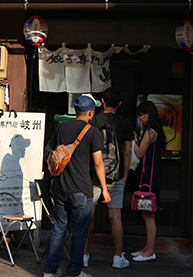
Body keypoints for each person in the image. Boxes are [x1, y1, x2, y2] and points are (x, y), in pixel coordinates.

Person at [43, 94, 110, 277]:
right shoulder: (92, 132)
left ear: (76, 110)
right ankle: (74, 272)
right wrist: (104, 189)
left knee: (58, 228)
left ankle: (50, 270)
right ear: (91, 112)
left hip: (60, 188)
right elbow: (98, 163)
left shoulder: (61, 127)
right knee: (79, 232)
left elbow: (48, 153)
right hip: (81, 189)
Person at [85, 87, 134, 268]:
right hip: (115, 175)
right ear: (119, 104)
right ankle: (118, 257)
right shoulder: (125, 123)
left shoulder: (94, 120)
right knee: (115, 217)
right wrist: (125, 174)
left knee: (88, 216)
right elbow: (127, 152)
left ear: (103, 102)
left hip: (93, 175)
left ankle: (83, 254)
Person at [131, 100, 166, 262]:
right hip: (153, 177)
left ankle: (150, 251)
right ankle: (146, 248)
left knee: (148, 215)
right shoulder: (155, 132)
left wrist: (133, 140)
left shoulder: (149, 132)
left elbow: (139, 153)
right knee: (147, 214)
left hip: (148, 179)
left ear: (148, 115)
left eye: (141, 115)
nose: (140, 119)